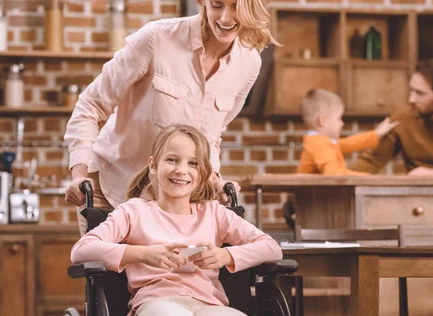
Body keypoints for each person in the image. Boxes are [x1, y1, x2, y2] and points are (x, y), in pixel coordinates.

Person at [71, 124, 282, 316]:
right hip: (154, 306)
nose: (181, 170)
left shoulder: (214, 214)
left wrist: (226, 255)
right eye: (172, 159)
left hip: (207, 305)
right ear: (153, 165)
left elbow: (271, 247)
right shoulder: (134, 212)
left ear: (202, 173)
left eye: (192, 163)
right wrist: (145, 254)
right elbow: (82, 250)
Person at [63, 0, 276, 233]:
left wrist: (215, 180)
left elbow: (211, 136)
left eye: (236, 6)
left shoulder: (249, 63)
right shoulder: (157, 38)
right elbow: (89, 105)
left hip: (175, 205)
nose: (225, 18)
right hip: (112, 192)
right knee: (112, 267)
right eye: (217, 5)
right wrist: (79, 174)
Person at [297, 88, 398, 175]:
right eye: (339, 118)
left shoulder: (320, 141)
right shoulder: (320, 145)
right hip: (312, 197)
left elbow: (350, 143)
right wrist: (364, 177)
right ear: (323, 121)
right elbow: (335, 174)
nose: (342, 124)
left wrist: (377, 133)